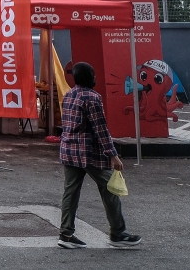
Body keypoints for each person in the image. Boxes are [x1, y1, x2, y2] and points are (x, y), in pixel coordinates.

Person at [58, 62, 140, 249]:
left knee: (70, 192)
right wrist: (113, 155)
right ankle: (118, 234)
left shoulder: (69, 94)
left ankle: (65, 234)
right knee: (110, 189)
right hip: (89, 153)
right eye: (93, 75)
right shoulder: (92, 97)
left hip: (69, 150)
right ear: (90, 77)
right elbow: (100, 129)